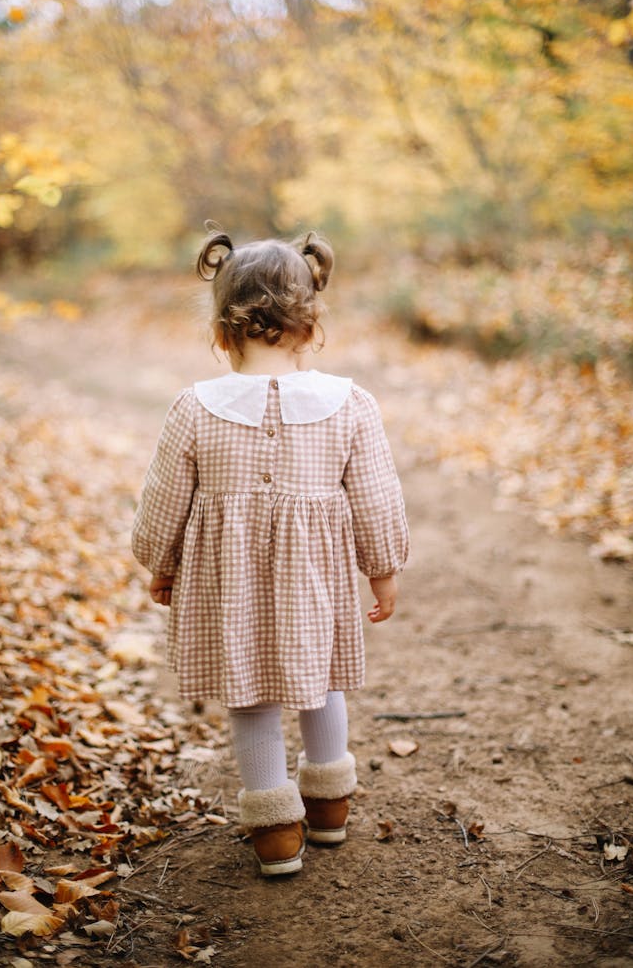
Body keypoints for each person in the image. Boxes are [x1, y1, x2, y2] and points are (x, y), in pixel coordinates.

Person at [131, 228, 409, 877]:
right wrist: (383, 570)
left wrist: (161, 561)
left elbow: (162, 497)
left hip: (229, 583)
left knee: (250, 694)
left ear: (222, 334)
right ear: (311, 325)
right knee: (320, 680)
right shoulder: (351, 404)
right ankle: (330, 804)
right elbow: (376, 495)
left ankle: (276, 830)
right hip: (315, 580)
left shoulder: (195, 407)